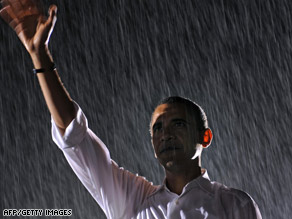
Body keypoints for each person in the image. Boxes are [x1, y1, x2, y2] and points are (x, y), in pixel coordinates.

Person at [0, 1, 262, 218]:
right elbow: (75, 137)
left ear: (205, 137)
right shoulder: (133, 200)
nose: (166, 134)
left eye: (178, 124)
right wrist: (40, 56)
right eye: (158, 128)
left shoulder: (234, 205)